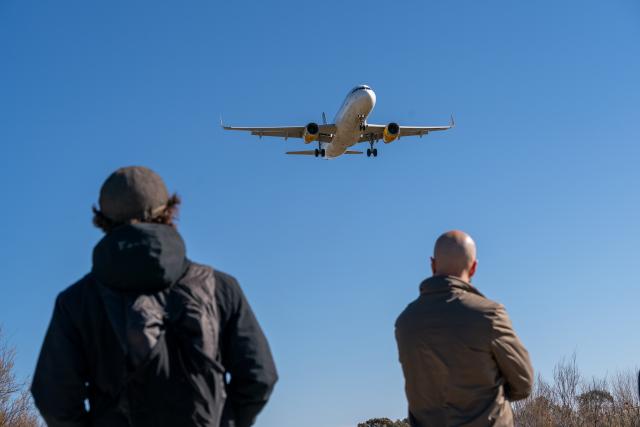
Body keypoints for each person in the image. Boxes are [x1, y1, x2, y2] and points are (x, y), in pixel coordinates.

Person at [32, 166, 277, 427]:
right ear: (169, 211)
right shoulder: (221, 287)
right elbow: (259, 376)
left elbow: (54, 399)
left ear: (102, 220)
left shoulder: (76, 302)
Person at [395, 230, 533, 426]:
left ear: (432, 265)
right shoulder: (489, 314)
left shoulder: (406, 322)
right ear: (474, 267)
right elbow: (523, 382)